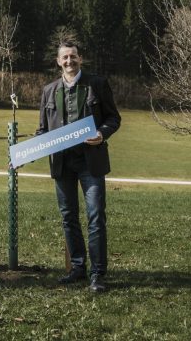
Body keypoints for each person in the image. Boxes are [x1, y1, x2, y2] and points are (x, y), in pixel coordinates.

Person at [36, 41, 121, 293]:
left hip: (90, 161)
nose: (69, 61)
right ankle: (77, 268)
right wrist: (23, 154)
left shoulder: (97, 84)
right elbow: (42, 130)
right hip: (62, 163)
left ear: (80, 58)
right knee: (68, 217)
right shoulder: (49, 91)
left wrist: (102, 134)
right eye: (65, 57)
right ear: (58, 61)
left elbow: (113, 118)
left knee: (95, 215)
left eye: (73, 56)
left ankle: (97, 274)